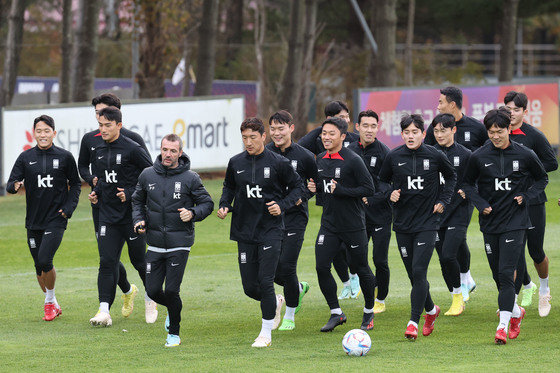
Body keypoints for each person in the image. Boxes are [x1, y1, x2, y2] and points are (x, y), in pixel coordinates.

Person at [462, 107, 548, 345]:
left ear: (509, 129)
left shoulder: (526, 154)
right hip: (490, 222)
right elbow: (467, 185)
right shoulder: (478, 156)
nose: (495, 136)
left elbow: (542, 178)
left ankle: (502, 326)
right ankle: (517, 313)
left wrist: (527, 196)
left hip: (516, 221)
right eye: (491, 132)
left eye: (499, 131)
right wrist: (480, 204)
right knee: (498, 277)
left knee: (506, 274)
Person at [217, 117, 303, 348]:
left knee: (265, 281)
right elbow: (229, 187)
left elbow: (298, 187)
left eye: (253, 137)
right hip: (244, 231)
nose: (248, 142)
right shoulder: (235, 162)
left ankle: (265, 333)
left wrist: (282, 206)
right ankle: (275, 301)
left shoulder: (279, 162)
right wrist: (225, 204)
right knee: (250, 287)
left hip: (271, 230)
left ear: (263, 137)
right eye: (244, 138)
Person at [378, 114, 456, 340]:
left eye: (415, 132)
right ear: (401, 134)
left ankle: (413, 321)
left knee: (420, 270)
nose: (410, 136)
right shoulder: (393, 157)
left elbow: (451, 178)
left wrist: (443, 201)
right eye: (406, 133)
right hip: (402, 223)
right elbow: (382, 181)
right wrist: (388, 193)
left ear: (423, 134)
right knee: (414, 275)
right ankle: (431, 310)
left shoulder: (435, 155)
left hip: (428, 223)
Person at [78, 93, 155, 321]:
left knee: (139, 261)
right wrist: (95, 192)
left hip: (132, 215)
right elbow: (100, 179)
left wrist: (130, 193)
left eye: (107, 124)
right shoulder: (96, 147)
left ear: (118, 124)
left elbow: (151, 176)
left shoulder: (132, 146)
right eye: (99, 123)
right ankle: (103, 310)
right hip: (107, 215)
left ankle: (151, 299)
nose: (102, 128)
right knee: (107, 261)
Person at [132, 134, 214, 347]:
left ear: (180, 152)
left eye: (173, 151)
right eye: (165, 150)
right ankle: (173, 307)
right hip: (155, 243)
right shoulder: (147, 175)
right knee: (152, 291)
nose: (168, 154)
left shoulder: (191, 178)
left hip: (180, 243)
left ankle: (174, 334)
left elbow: (207, 203)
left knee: (171, 291)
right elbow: (137, 201)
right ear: (160, 149)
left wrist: (193, 213)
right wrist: (139, 220)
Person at [7, 115, 81, 321]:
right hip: (33, 220)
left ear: (54, 134)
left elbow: (75, 184)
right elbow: (11, 182)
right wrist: (14, 186)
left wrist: (68, 208)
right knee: (39, 267)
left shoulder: (65, 157)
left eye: (46, 131)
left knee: (45, 259)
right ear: (34, 133)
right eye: (39, 131)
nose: (42, 135)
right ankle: (54, 302)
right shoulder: (25, 157)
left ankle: (48, 302)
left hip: (56, 218)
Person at [307, 117, 377, 333]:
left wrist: (343, 191)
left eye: (331, 134)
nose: (326, 137)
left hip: (354, 225)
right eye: (324, 133)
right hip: (329, 225)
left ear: (343, 136)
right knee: (321, 266)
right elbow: (325, 187)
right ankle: (336, 313)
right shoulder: (319, 159)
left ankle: (368, 311)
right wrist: (315, 187)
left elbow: (369, 189)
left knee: (361, 267)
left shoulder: (353, 160)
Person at [425, 86, 488, 301]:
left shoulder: (476, 128)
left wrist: (472, 189)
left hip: (463, 195)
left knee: (454, 239)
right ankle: (465, 279)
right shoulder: (434, 128)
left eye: (441, 102)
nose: (438, 106)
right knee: (454, 241)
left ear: (452, 104)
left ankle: (464, 278)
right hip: (440, 197)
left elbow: (484, 160)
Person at [299, 101, 361, 299]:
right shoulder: (319, 137)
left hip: (352, 201)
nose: (343, 121)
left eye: (345, 117)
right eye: (338, 118)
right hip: (328, 199)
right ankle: (346, 282)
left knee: (348, 246)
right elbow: (299, 150)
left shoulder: (354, 140)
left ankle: (356, 276)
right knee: (333, 249)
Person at [505, 91, 557, 316]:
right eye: (508, 109)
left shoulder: (533, 135)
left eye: (516, 110)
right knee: (514, 252)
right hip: (507, 203)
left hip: (533, 201)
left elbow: (552, 163)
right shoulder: (498, 134)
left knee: (535, 251)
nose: (512, 114)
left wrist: (528, 171)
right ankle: (512, 302)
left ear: (525, 112)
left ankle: (544, 289)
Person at [266, 110, 316, 330]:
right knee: (274, 271)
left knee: (287, 266)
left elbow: (314, 186)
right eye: (273, 129)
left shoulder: (304, 156)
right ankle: (297, 287)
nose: (277, 133)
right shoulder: (265, 153)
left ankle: (290, 316)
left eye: (281, 128)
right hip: (271, 219)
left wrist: (302, 197)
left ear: (291, 128)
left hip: (295, 218)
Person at [346, 110, 392, 313]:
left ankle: (380, 298)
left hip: (380, 215)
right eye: (365, 126)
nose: (369, 130)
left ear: (378, 128)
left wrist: (373, 198)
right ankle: (369, 286)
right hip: (356, 215)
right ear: (357, 127)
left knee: (380, 260)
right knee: (354, 259)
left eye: (373, 126)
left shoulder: (384, 152)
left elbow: (390, 183)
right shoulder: (348, 150)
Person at [430, 113, 472, 316]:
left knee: (448, 254)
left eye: (443, 130)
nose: (439, 135)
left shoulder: (465, 155)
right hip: (437, 212)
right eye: (436, 131)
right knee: (443, 257)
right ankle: (462, 284)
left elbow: (476, 180)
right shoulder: (429, 153)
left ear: (453, 130)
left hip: (459, 210)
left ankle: (458, 296)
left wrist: (466, 190)